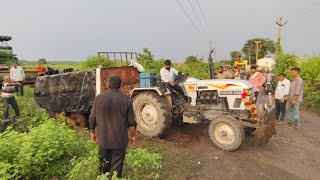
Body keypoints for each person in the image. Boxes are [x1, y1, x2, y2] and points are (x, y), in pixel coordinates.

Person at [89, 76, 136, 177]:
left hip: (104, 139)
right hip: (119, 141)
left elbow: (92, 117)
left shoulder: (98, 98)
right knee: (117, 168)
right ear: (121, 85)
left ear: (107, 84)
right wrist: (132, 136)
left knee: (104, 164)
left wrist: (92, 132)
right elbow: (131, 122)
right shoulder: (126, 100)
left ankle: (104, 178)